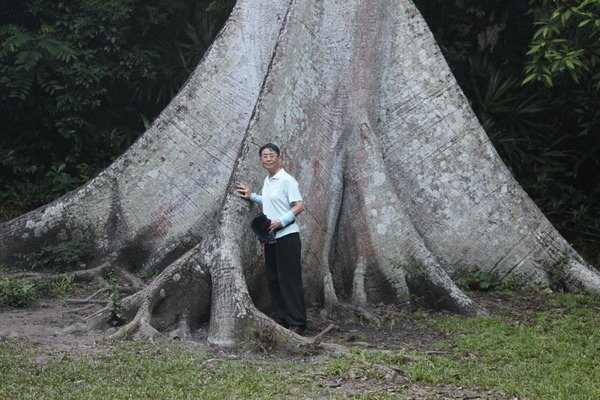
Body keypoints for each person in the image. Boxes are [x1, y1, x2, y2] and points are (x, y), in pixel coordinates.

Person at [236, 143, 307, 334]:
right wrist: (253, 196)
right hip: (270, 238)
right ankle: (283, 319)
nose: (268, 158)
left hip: (287, 236)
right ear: (260, 161)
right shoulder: (268, 181)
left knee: (289, 279)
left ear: (279, 158)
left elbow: (299, 205)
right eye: (264, 156)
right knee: (274, 279)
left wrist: (280, 221)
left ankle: (298, 322)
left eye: (271, 155)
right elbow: (269, 201)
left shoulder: (286, 180)